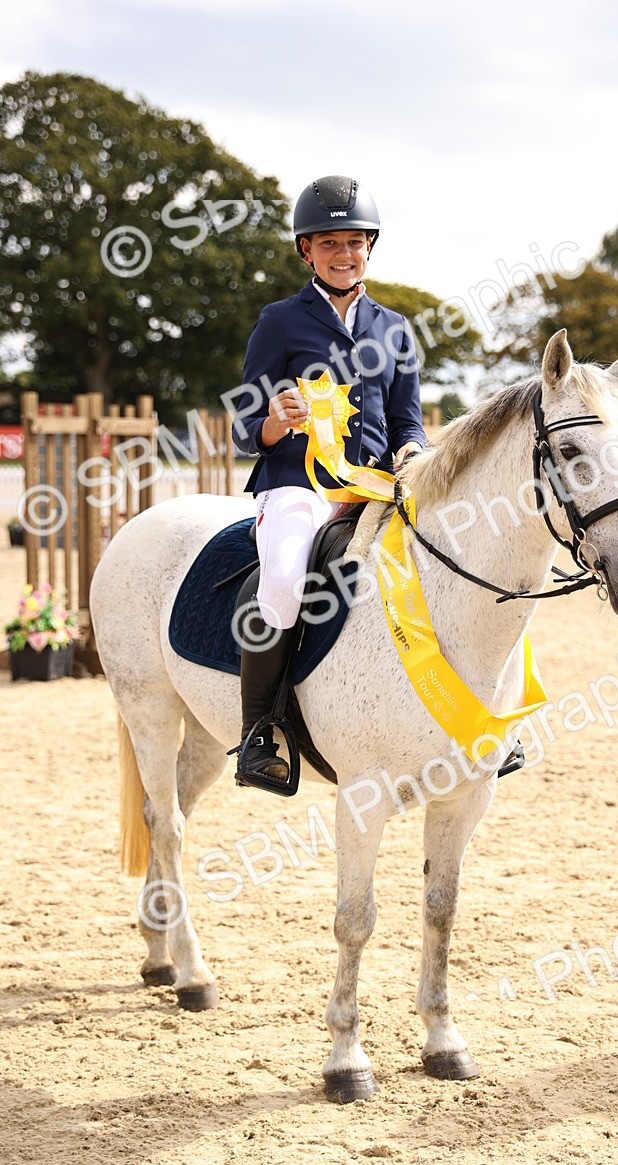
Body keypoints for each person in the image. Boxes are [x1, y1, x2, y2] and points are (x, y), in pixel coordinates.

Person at [231, 175, 425, 787]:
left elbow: (406, 419)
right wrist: (271, 423)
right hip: (296, 485)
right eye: (328, 243)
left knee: (454, 563)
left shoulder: (395, 329)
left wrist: (412, 450)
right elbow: (242, 425)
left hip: (372, 487)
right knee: (286, 584)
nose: (343, 254)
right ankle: (260, 731)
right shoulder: (281, 321)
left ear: (370, 247)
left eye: (354, 242)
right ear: (306, 251)